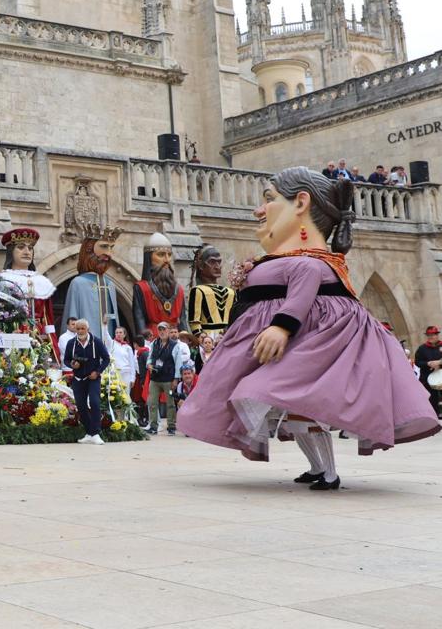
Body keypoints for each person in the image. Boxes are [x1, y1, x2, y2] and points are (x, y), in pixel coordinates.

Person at [179, 167, 438, 491]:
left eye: (269, 200)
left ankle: (328, 473)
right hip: (297, 349)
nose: (258, 210)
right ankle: (318, 468)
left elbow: (300, 298)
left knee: (271, 400)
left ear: (301, 203)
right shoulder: (294, 259)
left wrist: (282, 328)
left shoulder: (310, 263)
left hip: (311, 349)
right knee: (294, 418)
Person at [0, 228, 58, 355]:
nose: (27, 251)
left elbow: (48, 318)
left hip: (39, 337)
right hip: (12, 335)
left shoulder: (41, 282)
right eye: (21, 247)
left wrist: (52, 345)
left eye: (30, 248)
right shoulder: (3, 281)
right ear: (10, 251)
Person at [61, 223, 124, 342]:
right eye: (104, 246)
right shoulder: (78, 283)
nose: (109, 253)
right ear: (89, 248)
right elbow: (72, 319)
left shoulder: (109, 283)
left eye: (111, 247)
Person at [132, 232, 189, 338]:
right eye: (161, 255)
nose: (167, 260)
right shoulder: (141, 288)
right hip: (153, 338)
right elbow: (139, 319)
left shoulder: (179, 290)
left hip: (176, 339)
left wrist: (187, 339)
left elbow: (183, 320)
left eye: (169, 255)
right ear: (149, 257)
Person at [63, 319, 111, 444]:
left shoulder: (97, 342)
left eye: (82, 328)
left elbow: (106, 359)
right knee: (81, 406)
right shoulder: (71, 343)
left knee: (95, 403)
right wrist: (72, 364)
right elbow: (66, 360)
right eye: (77, 328)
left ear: (87, 329)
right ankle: (90, 432)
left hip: (93, 378)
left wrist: (98, 372)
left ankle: (96, 433)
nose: (80, 331)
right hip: (78, 379)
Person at [145, 322, 188, 435]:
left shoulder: (175, 345)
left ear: (168, 330)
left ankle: (171, 427)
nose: (162, 332)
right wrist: (149, 364)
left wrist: (176, 379)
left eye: (164, 329)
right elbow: (149, 358)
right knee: (152, 402)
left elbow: (178, 363)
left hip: (169, 379)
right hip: (155, 378)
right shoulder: (154, 343)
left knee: (170, 404)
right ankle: (153, 426)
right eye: (160, 330)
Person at [188, 245, 236, 341]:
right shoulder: (197, 291)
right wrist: (202, 338)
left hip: (228, 338)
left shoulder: (230, 292)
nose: (217, 267)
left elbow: (235, 318)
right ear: (201, 265)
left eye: (219, 262)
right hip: (208, 340)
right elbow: (194, 322)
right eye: (212, 262)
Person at [414, 326, 442, 418]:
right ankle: (435, 415)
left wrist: (439, 363)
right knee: (432, 398)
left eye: (433, 335)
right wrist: (428, 363)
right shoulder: (422, 348)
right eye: (429, 335)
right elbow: (417, 362)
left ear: (437, 335)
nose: (431, 337)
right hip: (427, 378)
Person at [108, 326, 137, 390]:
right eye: (116, 332)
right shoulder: (111, 343)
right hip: (114, 374)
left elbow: (132, 364)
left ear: (124, 335)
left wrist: (132, 378)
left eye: (120, 332)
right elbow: (106, 336)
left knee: (126, 396)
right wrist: (104, 325)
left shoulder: (128, 347)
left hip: (126, 374)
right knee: (115, 396)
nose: (118, 334)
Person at [170, 363, 198, 427]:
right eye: (185, 374)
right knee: (180, 403)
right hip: (190, 404)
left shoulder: (199, 382)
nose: (187, 376)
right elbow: (180, 398)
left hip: (200, 405)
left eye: (189, 373)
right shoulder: (180, 385)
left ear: (193, 374)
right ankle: (187, 423)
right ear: (181, 376)